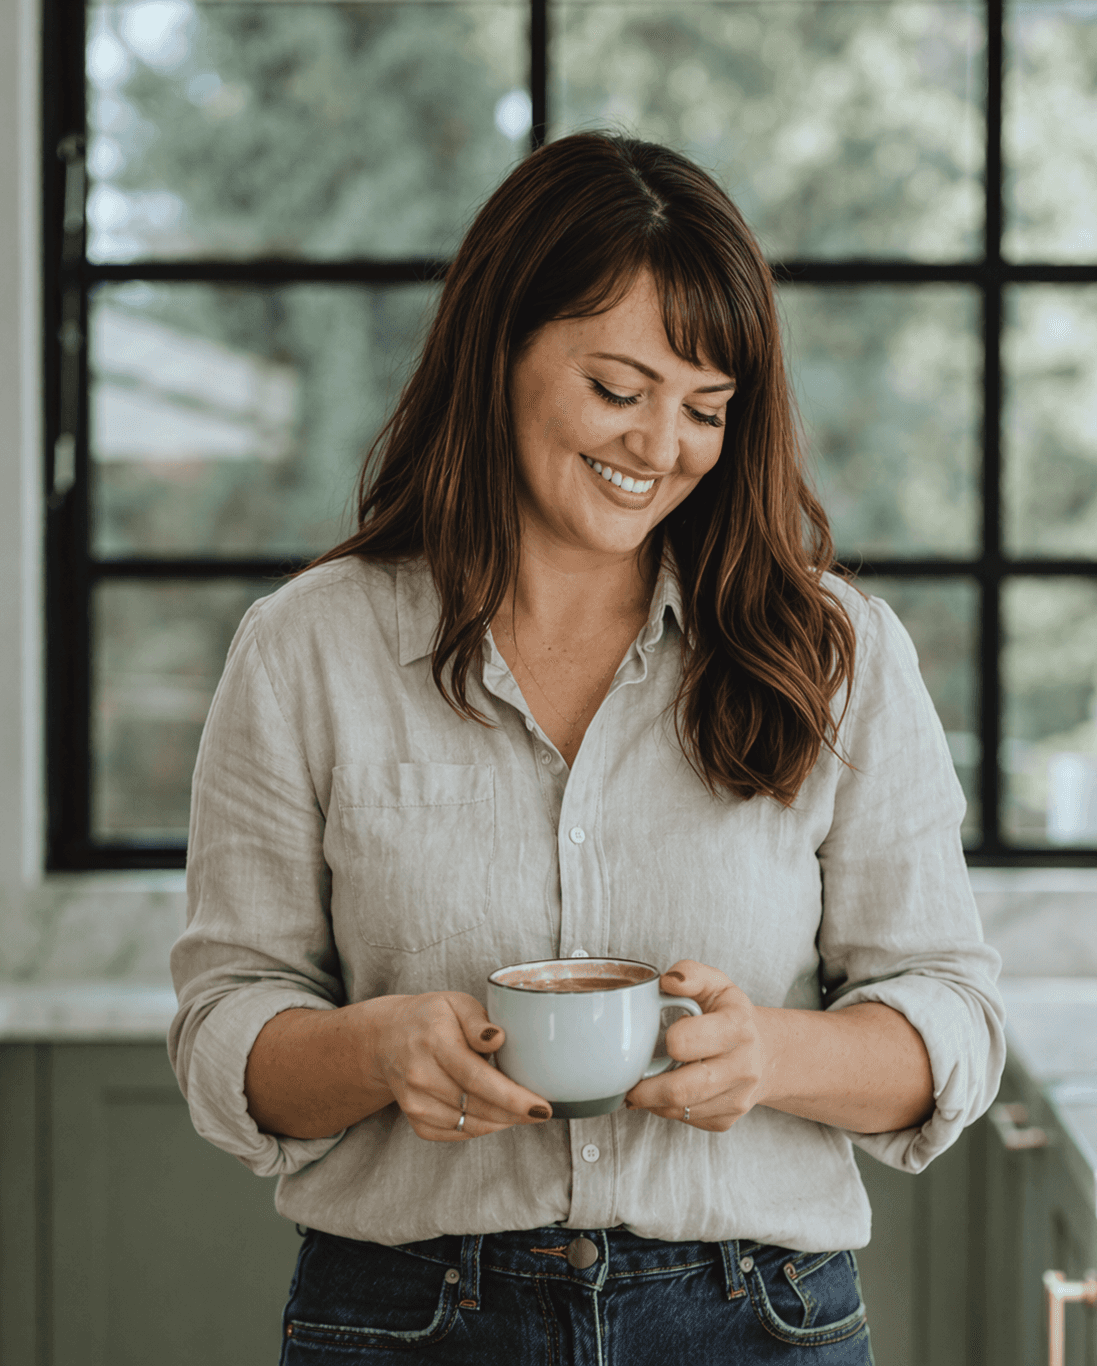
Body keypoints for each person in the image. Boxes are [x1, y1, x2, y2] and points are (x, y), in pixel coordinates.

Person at [169, 132, 1004, 1364]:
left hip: (756, 1318)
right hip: (407, 1316)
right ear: (495, 350)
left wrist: (766, 1053)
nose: (660, 445)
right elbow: (224, 1026)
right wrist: (372, 1048)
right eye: (619, 389)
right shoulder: (308, 648)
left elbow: (949, 1015)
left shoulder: (835, 652)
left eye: (705, 407)